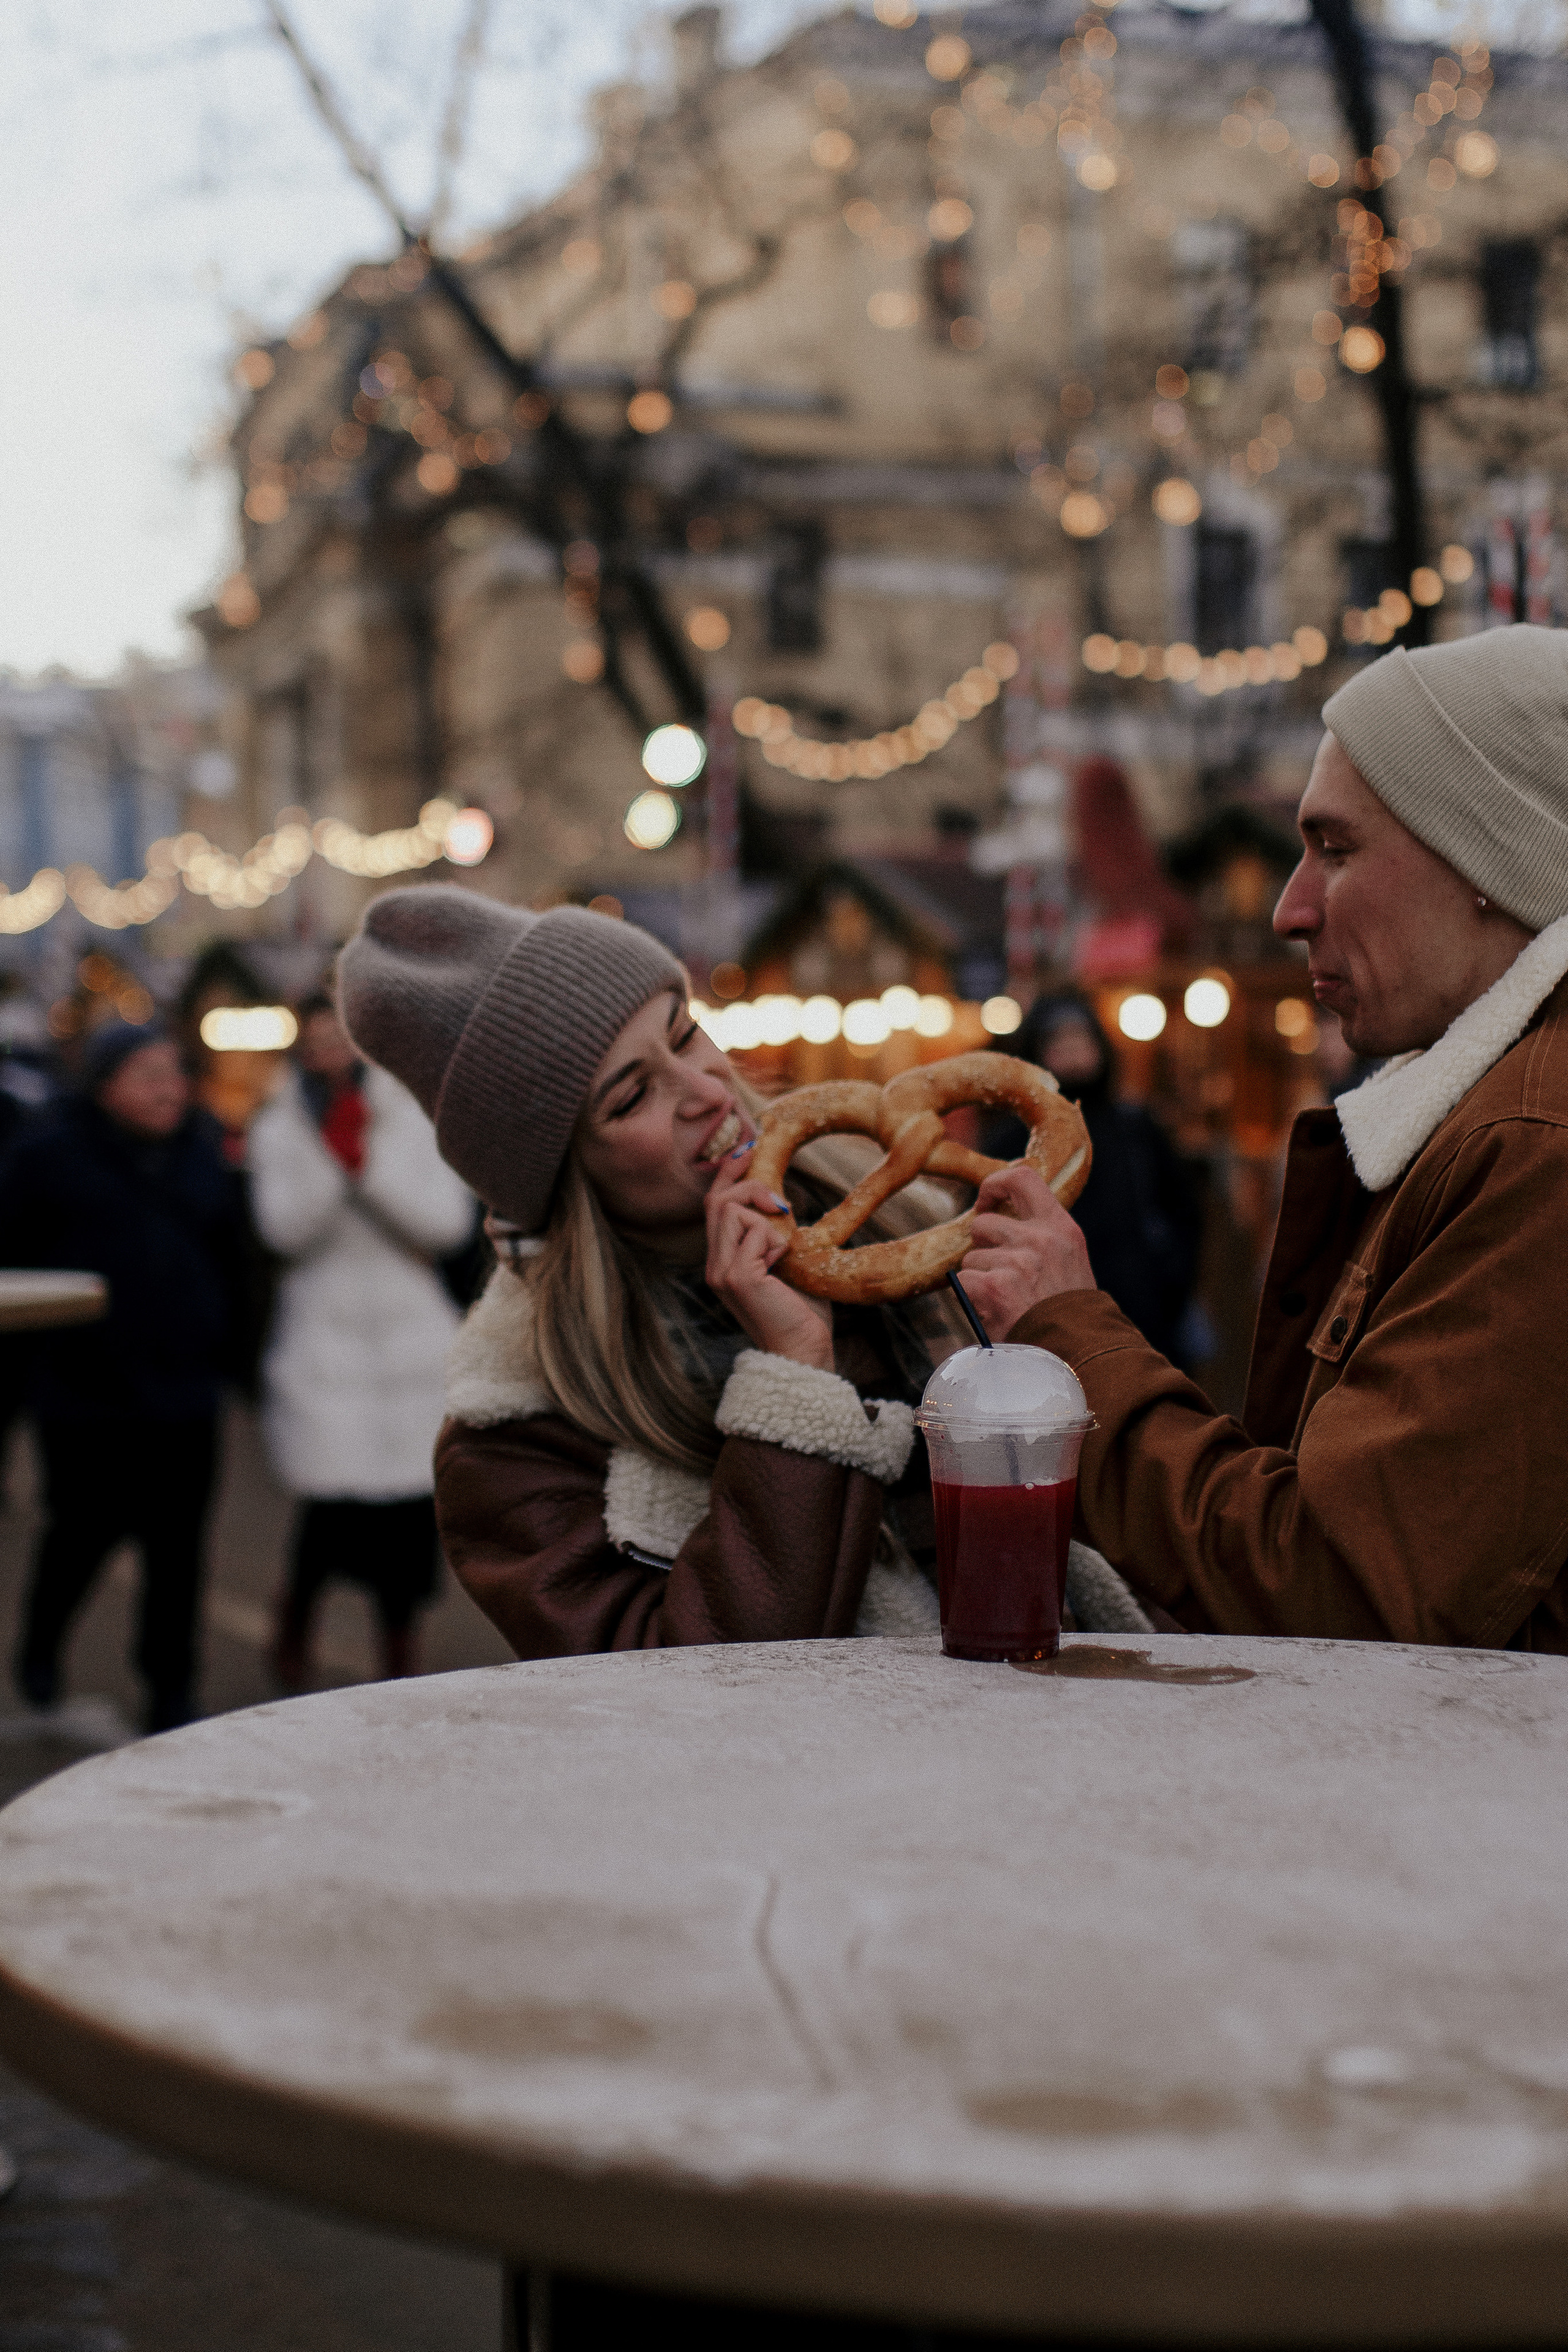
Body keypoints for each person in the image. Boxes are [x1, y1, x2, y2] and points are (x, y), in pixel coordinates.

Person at [952, 624, 1568, 1652]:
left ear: (1486, 859)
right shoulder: (1487, 1121)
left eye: (1335, 849)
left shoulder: (1538, 1146)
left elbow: (1333, 1587)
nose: (1290, 909)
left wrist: (1070, 1329)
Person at [336, 889, 1149, 1656]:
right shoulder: (518, 1445)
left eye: (684, 1032)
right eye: (631, 1098)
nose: (705, 1089)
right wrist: (794, 1379)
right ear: (565, 1180)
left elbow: (1127, 1526)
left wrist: (1072, 1332)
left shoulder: (914, 1226)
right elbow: (682, 1699)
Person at [1, 1020, 249, 1730]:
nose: (168, 1088)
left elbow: (231, 1261)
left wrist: (230, 1356)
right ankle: (41, 1649)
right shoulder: (47, 1158)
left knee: (178, 1554)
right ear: (106, 1085)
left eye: (174, 1073)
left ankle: (170, 1689)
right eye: (147, 1074)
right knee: (79, 1534)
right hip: (86, 1395)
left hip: (185, 1393)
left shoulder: (202, 1153)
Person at [247, 992, 473, 1685]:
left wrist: (368, 1165)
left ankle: (400, 1647)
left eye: (340, 1038)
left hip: (409, 1336)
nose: (329, 1053)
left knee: (408, 1515)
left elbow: (445, 1225)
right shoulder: (280, 1124)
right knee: (330, 1504)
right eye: (315, 1040)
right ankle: (296, 1622)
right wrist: (331, 1165)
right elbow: (281, 1229)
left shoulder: (411, 1117)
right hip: (325, 1336)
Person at [982, 994, 1204, 1364]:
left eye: (1079, 1040)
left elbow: (1184, 1211)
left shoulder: (1136, 1127)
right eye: (1059, 1043)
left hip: (1144, 1320)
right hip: (1051, 1325)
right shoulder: (1009, 1140)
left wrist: (1170, 1285)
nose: (1072, 1053)